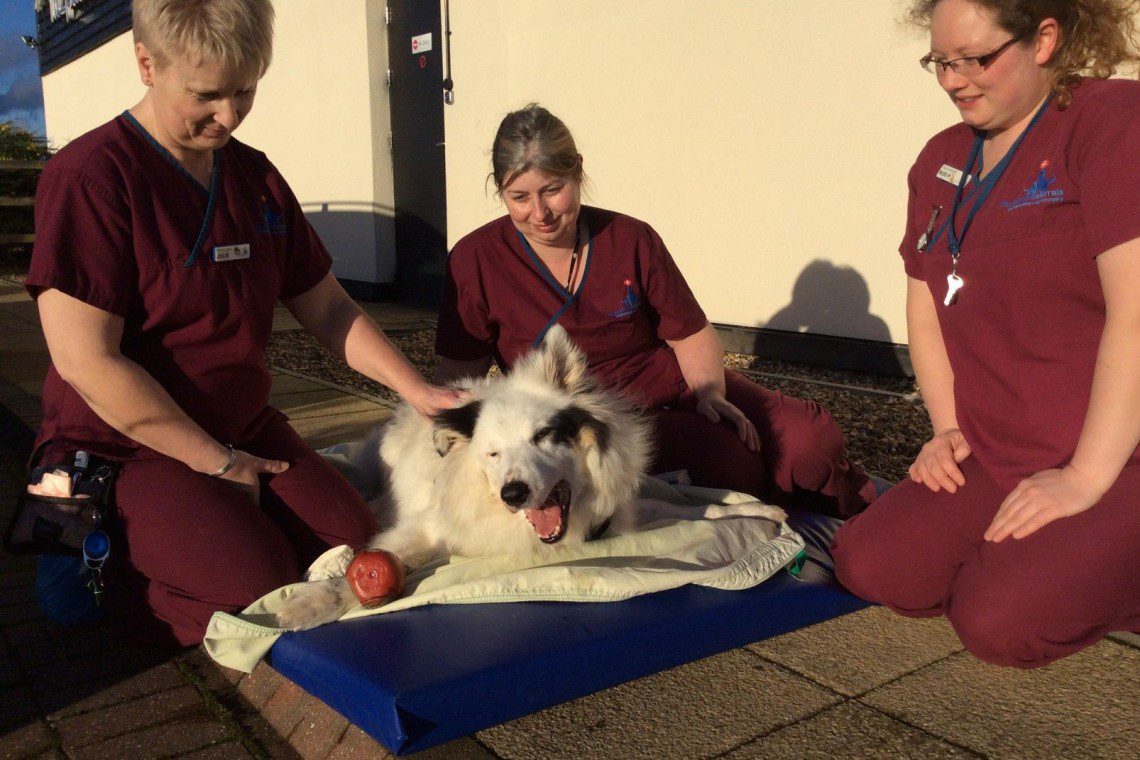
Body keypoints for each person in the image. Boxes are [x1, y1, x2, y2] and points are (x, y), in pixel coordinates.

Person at [24, 0, 460, 647]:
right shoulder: (91, 178)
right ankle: (85, 559)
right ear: (146, 63)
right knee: (254, 585)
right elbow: (89, 363)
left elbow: (329, 307)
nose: (228, 115)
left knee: (355, 545)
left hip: (244, 424)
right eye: (207, 95)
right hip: (125, 443)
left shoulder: (252, 178)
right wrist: (218, 463)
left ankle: (213, 527)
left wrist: (419, 391)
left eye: (246, 89)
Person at [832, 0, 1140, 668]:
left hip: (1119, 460)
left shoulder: (1109, 122)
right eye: (939, 61)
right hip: (999, 451)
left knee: (1000, 621)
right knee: (870, 563)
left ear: (1045, 39)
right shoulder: (941, 161)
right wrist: (946, 428)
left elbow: (1136, 313)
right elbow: (926, 304)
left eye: (975, 58)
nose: (953, 80)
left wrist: (1086, 477)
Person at [434, 104, 878, 519]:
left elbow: (690, 333)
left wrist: (710, 392)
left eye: (553, 190)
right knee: (731, 464)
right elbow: (460, 377)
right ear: (500, 191)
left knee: (808, 440)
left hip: (675, 385)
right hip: (596, 421)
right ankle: (781, 507)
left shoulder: (630, 237)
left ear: (578, 172)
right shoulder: (476, 260)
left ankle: (856, 510)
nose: (540, 213)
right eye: (520, 197)